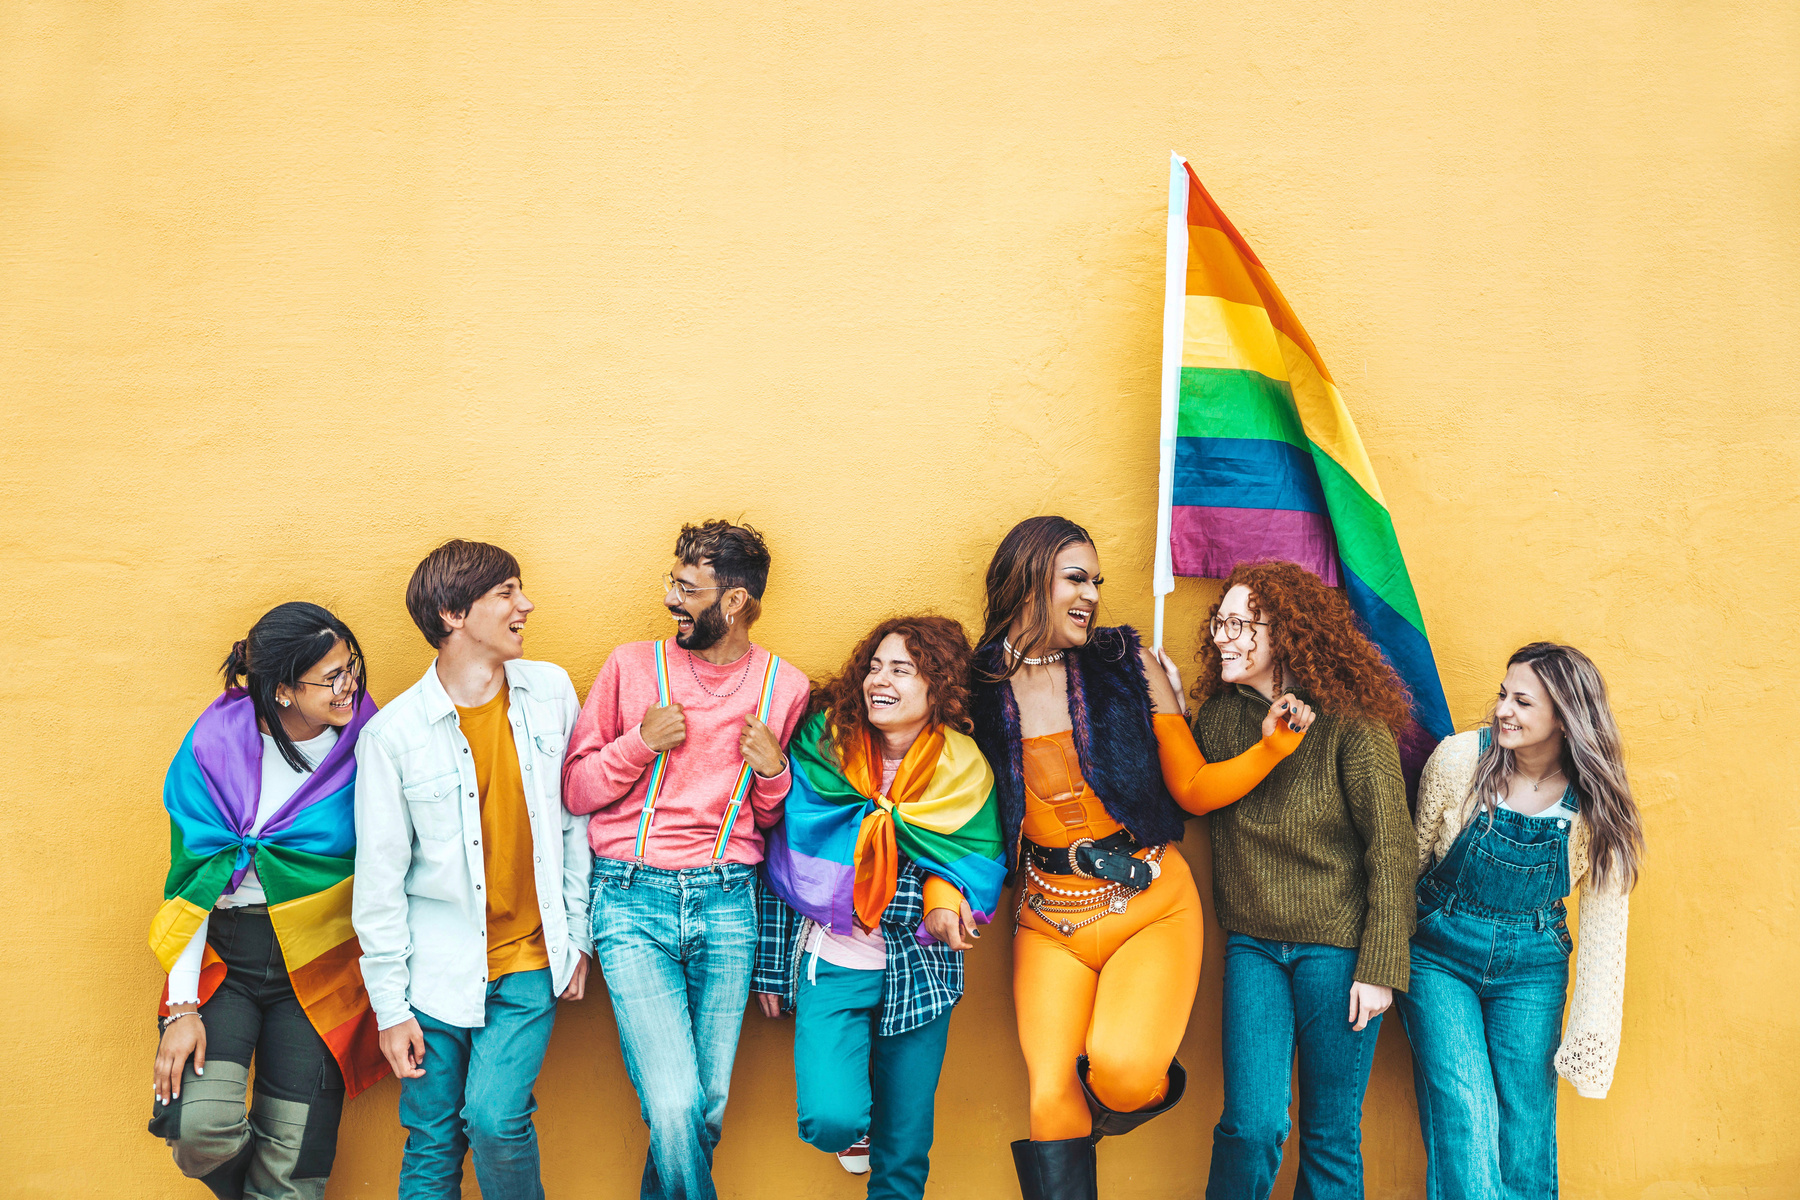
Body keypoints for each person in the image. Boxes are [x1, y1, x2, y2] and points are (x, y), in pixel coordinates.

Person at [968, 517, 1316, 1200]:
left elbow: (1192, 786)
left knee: (1121, 1073)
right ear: (1026, 578)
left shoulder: (1129, 663)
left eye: (1096, 581)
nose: (1092, 594)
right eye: (1076, 578)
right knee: (1050, 1101)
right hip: (1047, 917)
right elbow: (949, 796)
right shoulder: (977, 686)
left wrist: (1271, 746)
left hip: (1150, 905)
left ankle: (1130, 1078)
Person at [562, 520, 810, 1200]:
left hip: (730, 902)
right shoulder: (631, 667)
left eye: (688, 588)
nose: (672, 598)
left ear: (732, 602)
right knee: (674, 1104)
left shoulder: (784, 687)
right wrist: (637, 744)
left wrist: (772, 775)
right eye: (674, 582)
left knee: (705, 1109)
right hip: (631, 900)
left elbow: (769, 821)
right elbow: (577, 789)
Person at [352, 540, 593, 1200]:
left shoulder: (550, 692)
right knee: (432, 1137)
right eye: (508, 593)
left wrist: (578, 936)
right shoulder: (393, 736)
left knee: (494, 1117)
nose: (526, 605)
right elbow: (379, 882)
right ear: (453, 612)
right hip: (430, 975)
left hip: (527, 964)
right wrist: (390, 1008)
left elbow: (575, 823)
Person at [753, 616, 1007, 1199]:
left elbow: (971, 861)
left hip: (921, 974)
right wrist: (770, 967)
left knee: (905, 1152)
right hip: (831, 963)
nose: (879, 680)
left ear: (937, 686)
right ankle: (856, 1125)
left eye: (901, 669)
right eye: (874, 666)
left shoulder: (964, 770)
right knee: (830, 1119)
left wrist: (945, 901)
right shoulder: (823, 750)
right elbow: (782, 862)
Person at [1190, 560, 1416, 1200]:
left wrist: (1380, 966)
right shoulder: (1220, 721)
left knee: (1330, 1133)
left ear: (1287, 635)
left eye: (1240, 623)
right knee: (1252, 1126)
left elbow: (1392, 848)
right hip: (1254, 946)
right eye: (1220, 621)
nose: (1222, 636)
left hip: (1340, 952)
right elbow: (1185, 792)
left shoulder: (1352, 722)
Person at [147, 601, 387, 1200]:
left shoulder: (369, 744)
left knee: (296, 1160)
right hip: (227, 956)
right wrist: (181, 1009)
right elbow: (193, 880)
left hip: (323, 960)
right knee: (202, 1128)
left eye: (350, 666)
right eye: (330, 677)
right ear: (282, 690)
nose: (349, 684)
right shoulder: (215, 745)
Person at [1397, 643, 1642, 1199]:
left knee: (1526, 1128)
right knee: (1465, 1111)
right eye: (1503, 695)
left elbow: (1606, 927)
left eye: (1523, 702)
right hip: (1439, 952)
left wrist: (1591, 1036)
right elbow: (1409, 865)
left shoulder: (1594, 801)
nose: (1504, 709)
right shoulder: (1459, 760)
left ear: (1563, 715)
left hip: (1533, 965)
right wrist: (1383, 956)